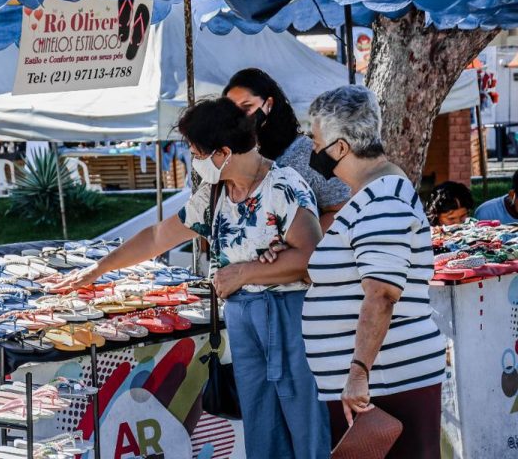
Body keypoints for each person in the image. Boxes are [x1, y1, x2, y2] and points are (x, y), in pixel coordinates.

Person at [53, 97, 330, 458]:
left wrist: (245, 273)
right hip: (243, 319)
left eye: (198, 153)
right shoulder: (215, 193)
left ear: (224, 153)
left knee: (302, 420)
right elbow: (156, 237)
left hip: (286, 315)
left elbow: (311, 258)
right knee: (261, 421)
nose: (195, 161)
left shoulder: (281, 186)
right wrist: (99, 268)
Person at [301, 86, 445, 458]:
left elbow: (381, 294)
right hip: (379, 382)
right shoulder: (373, 194)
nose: (313, 152)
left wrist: (358, 372)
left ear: (341, 147)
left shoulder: (382, 198)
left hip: (386, 381)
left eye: (316, 142)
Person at [223, 68, 350, 229]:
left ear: (268, 104)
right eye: (231, 109)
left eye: (246, 106)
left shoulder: (306, 153)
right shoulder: (226, 157)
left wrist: (300, 246)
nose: (238, 116)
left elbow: (342, 210)